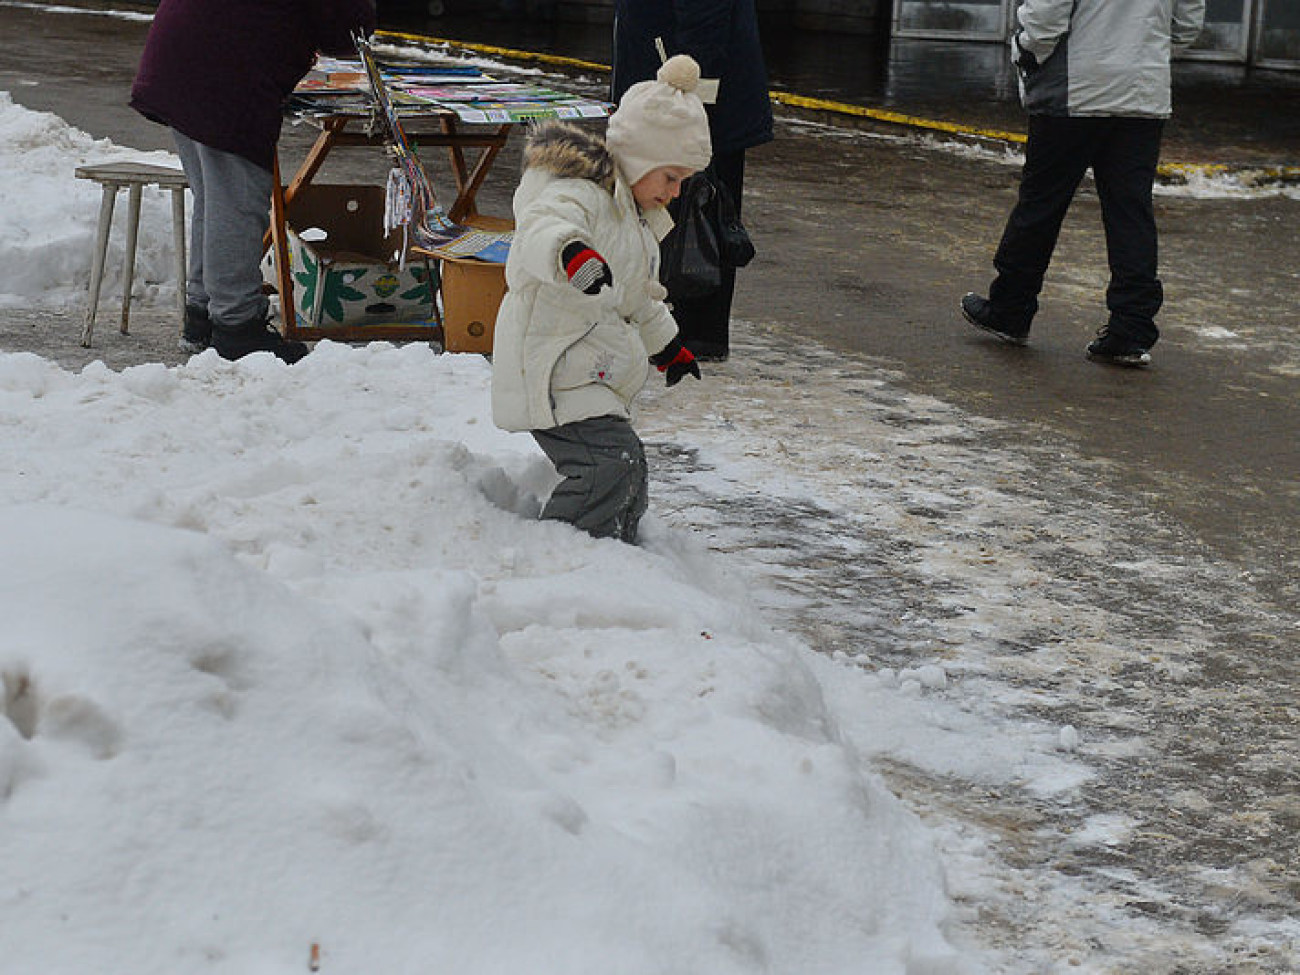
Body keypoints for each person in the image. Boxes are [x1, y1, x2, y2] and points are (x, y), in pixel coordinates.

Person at [491, 55, 712, 544]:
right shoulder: (577, 194)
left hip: (586, 372)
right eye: (670, 178)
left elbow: (637, 299)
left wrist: (667, 346)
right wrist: (571, 253)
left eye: (682, 183)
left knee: (627, 471)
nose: (674, 193)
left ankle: (613, 551)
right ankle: (562, 556)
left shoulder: (633, 222)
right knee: (606, 467)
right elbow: (541, 226)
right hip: (550, 367)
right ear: (638, 159)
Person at [961, 0, 1206, 367]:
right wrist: (1143, 51)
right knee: (1130, 212)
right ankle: (1131, 328)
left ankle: (1010, 308)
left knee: (1041, 204)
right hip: (1142, 91)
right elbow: (1187, 22)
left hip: (1075, 88)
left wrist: (1026, 49)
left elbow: (1046, 15)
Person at [131, 0, 376, 363]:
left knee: (216, 196)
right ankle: (237, 326)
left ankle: (203, 314)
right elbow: (345, 30)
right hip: (225, 73)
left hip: (182, 60)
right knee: (237, 202)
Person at [612, 0, 773, 361]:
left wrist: (692, 102)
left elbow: (706, 14)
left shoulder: (689, 103)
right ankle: (685, 330)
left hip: (688, 100)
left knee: (697, 212)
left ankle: (693, 333)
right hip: (678, 92)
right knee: (684, 209)